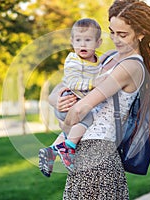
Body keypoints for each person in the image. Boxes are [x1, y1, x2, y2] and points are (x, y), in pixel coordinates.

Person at [45, 0, 150, 198]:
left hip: (98, 152)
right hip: (85, 151)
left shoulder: (130, 67)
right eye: (112, 31)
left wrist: (65, 134)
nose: (115, 39)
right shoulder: (108, 58)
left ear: (141, 34)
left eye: (122, 34)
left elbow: (81, 109)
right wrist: (58, 100)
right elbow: (58, 90)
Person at [39, 18, 106, 177]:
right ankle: (68, 147)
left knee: (72, 129)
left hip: (78, 101)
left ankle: (51, 151)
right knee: (87, 119)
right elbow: (72, 82)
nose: (82, 44)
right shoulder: (73, 60)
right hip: (69, 100)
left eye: (88, 40)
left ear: (98, 42)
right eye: (78, 40)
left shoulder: (98, 61)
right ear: (72, 41)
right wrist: (93, 83)